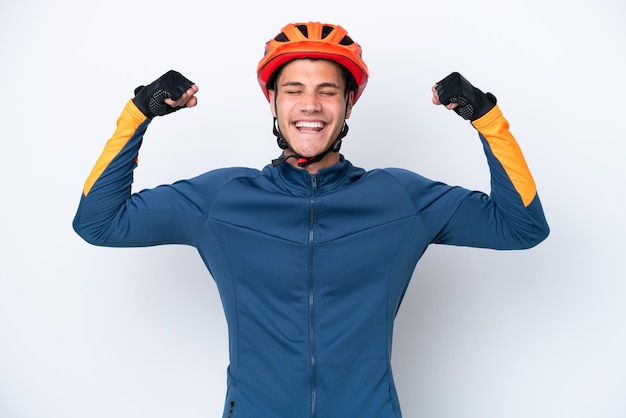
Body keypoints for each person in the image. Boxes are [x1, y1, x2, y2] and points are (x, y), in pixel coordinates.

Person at [73, 21, 549, 418]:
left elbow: (522, 227)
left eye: (327, 91)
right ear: (274, 103)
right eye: (294, 90)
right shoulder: (223, 198)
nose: (310, 106)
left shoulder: (398, 198)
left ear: (347, 105)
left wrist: (485, 118)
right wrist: (139, 114)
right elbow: (98, 222)